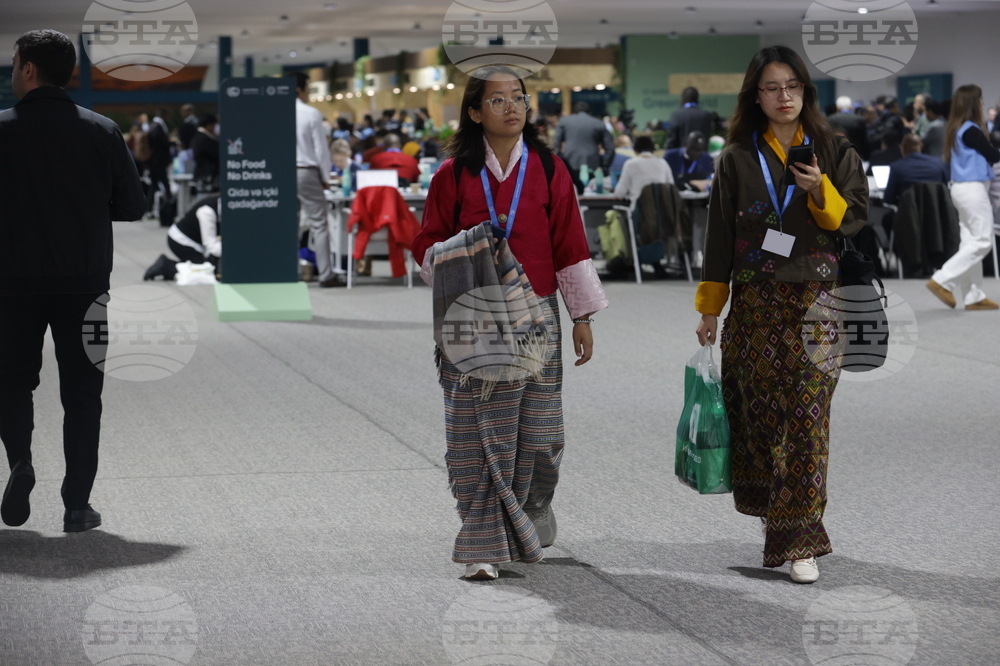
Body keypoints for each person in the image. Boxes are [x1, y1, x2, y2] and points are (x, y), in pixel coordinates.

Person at [411, 65, 608, 581]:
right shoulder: (452, 174)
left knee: (541, 431)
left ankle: (532, 505)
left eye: (518, 97)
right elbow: (426, 242)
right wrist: (463, 250)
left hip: (536, 312)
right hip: (473, 313)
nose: (511, 107)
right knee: (474, 429)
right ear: (475, 113)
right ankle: (481, 539)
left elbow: (570, 243)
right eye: (497, 100)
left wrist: (582, 315)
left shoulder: (548, 168)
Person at [694, 45, 868, 584]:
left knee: (808, 419)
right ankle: (781, 514)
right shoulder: (737, 156)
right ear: (756, 95)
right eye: (771, 87)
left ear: (805, 90)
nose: (783, 96)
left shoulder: (834, 148)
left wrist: (821, 191)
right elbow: (720, 234)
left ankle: (802, 538)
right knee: (762, 419)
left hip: (818, 301)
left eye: (792, 86)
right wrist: (710, 308)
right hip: (756, 304)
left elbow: (854, 219)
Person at [0, 29, 145, 532]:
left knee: (11, 379)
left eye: (14, 63)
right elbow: (133, 205)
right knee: (83, 391)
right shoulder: (102, 130)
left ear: (29, 69)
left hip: (12, 282)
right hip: (85, 284)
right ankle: (77, 504)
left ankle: (21, 462)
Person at [926, 84, 1000, 310]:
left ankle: (973, 295)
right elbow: (993, 155)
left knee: (970, 241)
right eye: (980, 100)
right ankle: (942, 280)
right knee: (983, 240)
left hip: (961, 189)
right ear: (973, 104)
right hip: (972, 189)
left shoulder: (957, 129)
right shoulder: (971, 130)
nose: (983, 104)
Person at [294, 72, 342, 288]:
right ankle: (325, 274)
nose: (309, 93)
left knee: (289, 223)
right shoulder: (311, 113)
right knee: (319, 224)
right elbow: (320, 149)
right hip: (306, 171)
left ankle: (292, 270)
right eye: (308, 88)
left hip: (282, 173)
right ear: (299, 89)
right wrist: (325, 176)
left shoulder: (275, 112)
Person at [144, 195, 221, 281]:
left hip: (195, 241)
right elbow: (211, 246)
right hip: (180, 240)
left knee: (210, 266)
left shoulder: (218, 207)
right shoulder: (207, 211)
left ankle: (168, 265)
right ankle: (166, 266)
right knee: (207, 270)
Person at [883, 134, 949, 206]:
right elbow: (946, 190)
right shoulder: (939, 164)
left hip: (908, 211)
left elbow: (888, 199)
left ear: (902, 148)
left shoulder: (896, 167)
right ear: (921, 146)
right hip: (936, 210)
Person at [553, 101, 615, 173]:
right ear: (589, 112)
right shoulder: (598, 123)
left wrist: (560, 159)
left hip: (569, 161)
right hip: (592, 163)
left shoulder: (564, 121)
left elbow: (556, 142)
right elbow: (610, 148)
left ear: (574, 112)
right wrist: (604, 164)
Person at [613, 134, 674, 200]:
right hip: (663, 205)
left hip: (639, 205)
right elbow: (671, 188)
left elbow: (619, 194)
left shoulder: (630, 164)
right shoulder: (663, 163)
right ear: (653, 149)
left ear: (635, 150)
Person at [190, 113, 219, 196]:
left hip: (201, 177)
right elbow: (217, 155)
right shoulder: (205, 139)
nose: (215, 129)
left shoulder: (197, 137)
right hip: (206, 179)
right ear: (209, 125)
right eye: (214, 126)